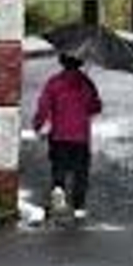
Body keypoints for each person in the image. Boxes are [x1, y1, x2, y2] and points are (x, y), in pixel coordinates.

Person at [32, 53, 103, 221]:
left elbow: (44, 106)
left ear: (61, 62)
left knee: (59, 167)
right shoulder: (86, 83)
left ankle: (58, 189)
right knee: (81, 172)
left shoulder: (54, 82)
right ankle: (79, 207)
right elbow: (95, 107)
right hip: (80, 136)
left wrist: (38, 125)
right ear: (80, 62)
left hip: (58, 135)